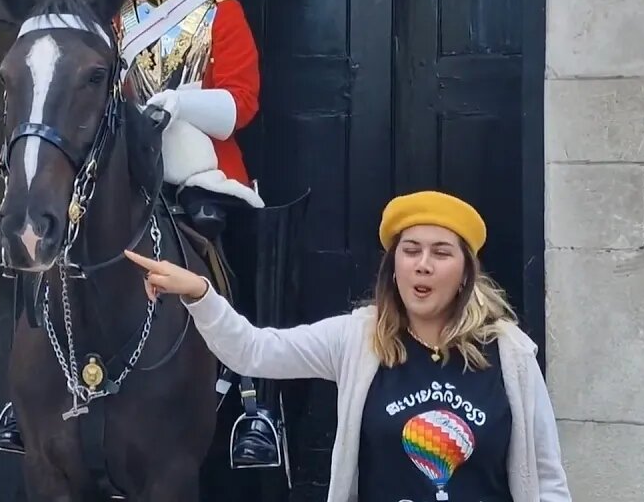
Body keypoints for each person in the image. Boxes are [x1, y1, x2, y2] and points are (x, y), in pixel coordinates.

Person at [0, 0, 303, 474]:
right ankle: (25, 395)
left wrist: (180, 104)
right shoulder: (113, 20)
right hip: (120, 155)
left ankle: (252, 400)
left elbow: (241, 102)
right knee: (55, 222)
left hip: (196, 155)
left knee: (226, 230)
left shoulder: (221, 14)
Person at [125, 190, 572, 502]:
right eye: (411, 250)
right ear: (393, 266)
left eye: (441, 253)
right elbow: (253, 350)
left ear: (465, 272)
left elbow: (548, 479)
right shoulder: (359, 338)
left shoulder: (509, 353)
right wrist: (200, 293)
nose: (423, 266)